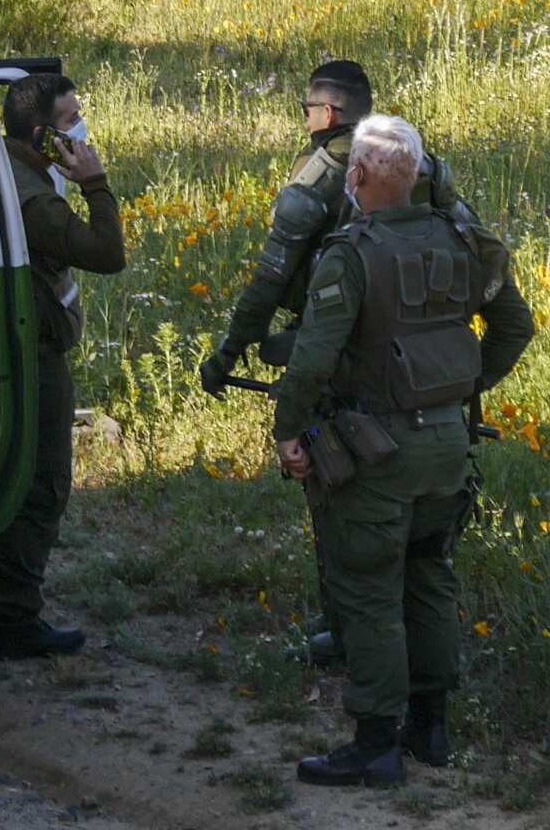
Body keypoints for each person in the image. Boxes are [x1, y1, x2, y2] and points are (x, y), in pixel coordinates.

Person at [271, 115, 535, 787]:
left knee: (368, 591)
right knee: (430, 575)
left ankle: (375, 743)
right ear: (416, 176)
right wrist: (465, 387)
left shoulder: (351, 253)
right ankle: (432, 729)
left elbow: (309, 362)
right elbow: (515, 325)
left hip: (376, 452)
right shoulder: (463, 240)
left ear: (356, 176)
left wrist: (289, 433)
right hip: (448, 445)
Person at [199, 60, 465, 667]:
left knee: (334, 486)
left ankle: (350, 633)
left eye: (307, 108)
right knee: (425, 535)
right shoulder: (418, 164)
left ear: (328, 113)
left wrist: (229, 352)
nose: (306, 119)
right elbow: (472, 248)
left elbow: (270, 279)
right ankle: (413, 659)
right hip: (423, 366)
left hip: (339, 355)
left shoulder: (322, 172)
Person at [0, 71, 127, 659]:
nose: (80, 128)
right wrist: (96, 185)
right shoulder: (31, 198)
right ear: (40, 134)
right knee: (41, 485)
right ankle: (14, 620)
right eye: (70, 119)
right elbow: (107, 254)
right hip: (32, 360)